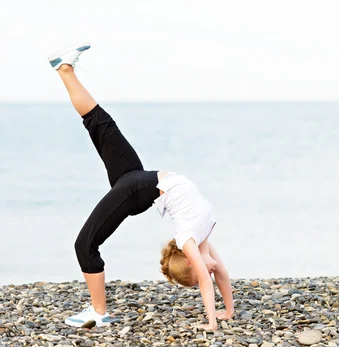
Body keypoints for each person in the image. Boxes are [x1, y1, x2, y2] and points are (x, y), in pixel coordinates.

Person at [48, 41, 234, 331]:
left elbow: (209, 287)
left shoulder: (189, 240)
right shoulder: (205, 238)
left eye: (200, 276)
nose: (207, 274)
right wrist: (228, 312)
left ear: (189, 263)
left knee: (84, 244)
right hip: (138, 178)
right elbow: (221, 277)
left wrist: (211, 322)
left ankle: (99, 311)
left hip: (135, 191)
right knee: (100, 122)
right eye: (203, 275)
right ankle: (64, 68)